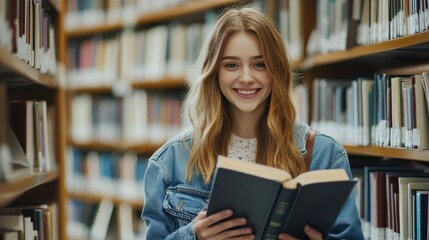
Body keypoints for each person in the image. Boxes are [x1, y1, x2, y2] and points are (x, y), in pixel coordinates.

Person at [141, 6, 364, 240]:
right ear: (214, 72)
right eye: (231, 65)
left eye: (259, 64)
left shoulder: (324, 154)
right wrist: (193, 236)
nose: (246, 78)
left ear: (276, 70)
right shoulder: (169, 162)